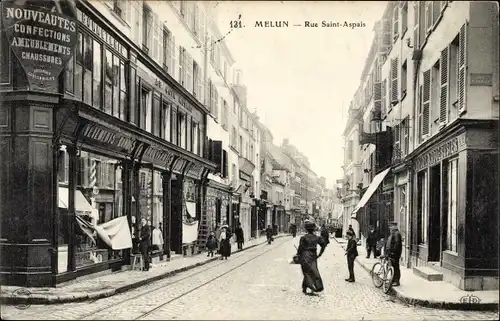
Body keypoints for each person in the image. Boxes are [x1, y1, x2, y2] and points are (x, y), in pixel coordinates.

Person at [297, 221, 326, 294]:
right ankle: (309, 287)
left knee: (306, 272)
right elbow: (323, 244)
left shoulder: (303, 238)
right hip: (313, 255)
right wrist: (320, 253)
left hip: (305, 255)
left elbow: (300, 248)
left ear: (306, 229)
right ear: (313, 229)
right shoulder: (317, 237)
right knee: (312, 271)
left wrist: (298, 254)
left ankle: (306, 287)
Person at [384, 221, 402, 286]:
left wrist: (393, 252)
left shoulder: (396, 234)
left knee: (396, 267)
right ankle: (393, 280)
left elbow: (397, 244)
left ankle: (397, 281)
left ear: (395, 226)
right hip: (391, 253)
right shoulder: (393, 233)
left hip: (395, 254)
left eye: (391, 226)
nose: (390, 228)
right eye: (390, 226)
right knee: (393, 267)